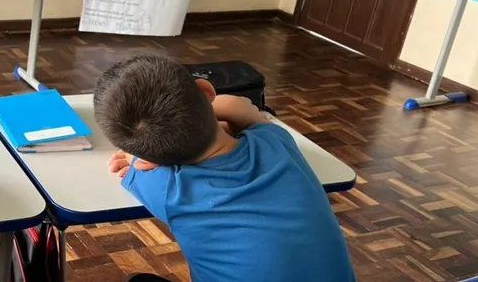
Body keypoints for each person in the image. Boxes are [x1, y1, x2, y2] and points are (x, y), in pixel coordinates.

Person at [94, 55, 355, 282]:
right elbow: (243, 108)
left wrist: (134, 154)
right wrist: (205, 110)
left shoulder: (167, 189)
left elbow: (133, 162)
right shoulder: (275, 142)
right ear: (207, 91)